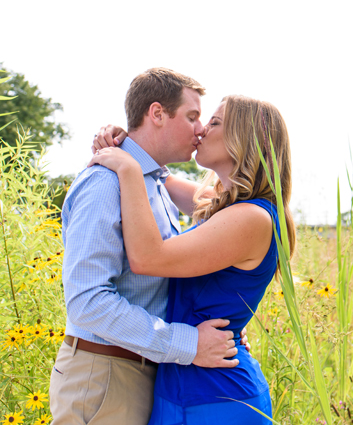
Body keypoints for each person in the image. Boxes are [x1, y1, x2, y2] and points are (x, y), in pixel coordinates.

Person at [89, 93, 296, 424]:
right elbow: (161, 178)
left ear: (243, 139)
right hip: (184, 382)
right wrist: (125, 142)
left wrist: (126, 168)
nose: (201, 130)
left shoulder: (251, 218)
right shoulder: (225, 205)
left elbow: (147, 258)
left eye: (213, 122)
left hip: (217, 393)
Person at [50, 69, 241, 425]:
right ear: (156, 113)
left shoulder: (153, 183)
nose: (200, 129)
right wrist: (189, 343)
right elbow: (87, 302)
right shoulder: (106, 182)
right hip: (105, 374)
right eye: (192, 116)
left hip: (137, 370)